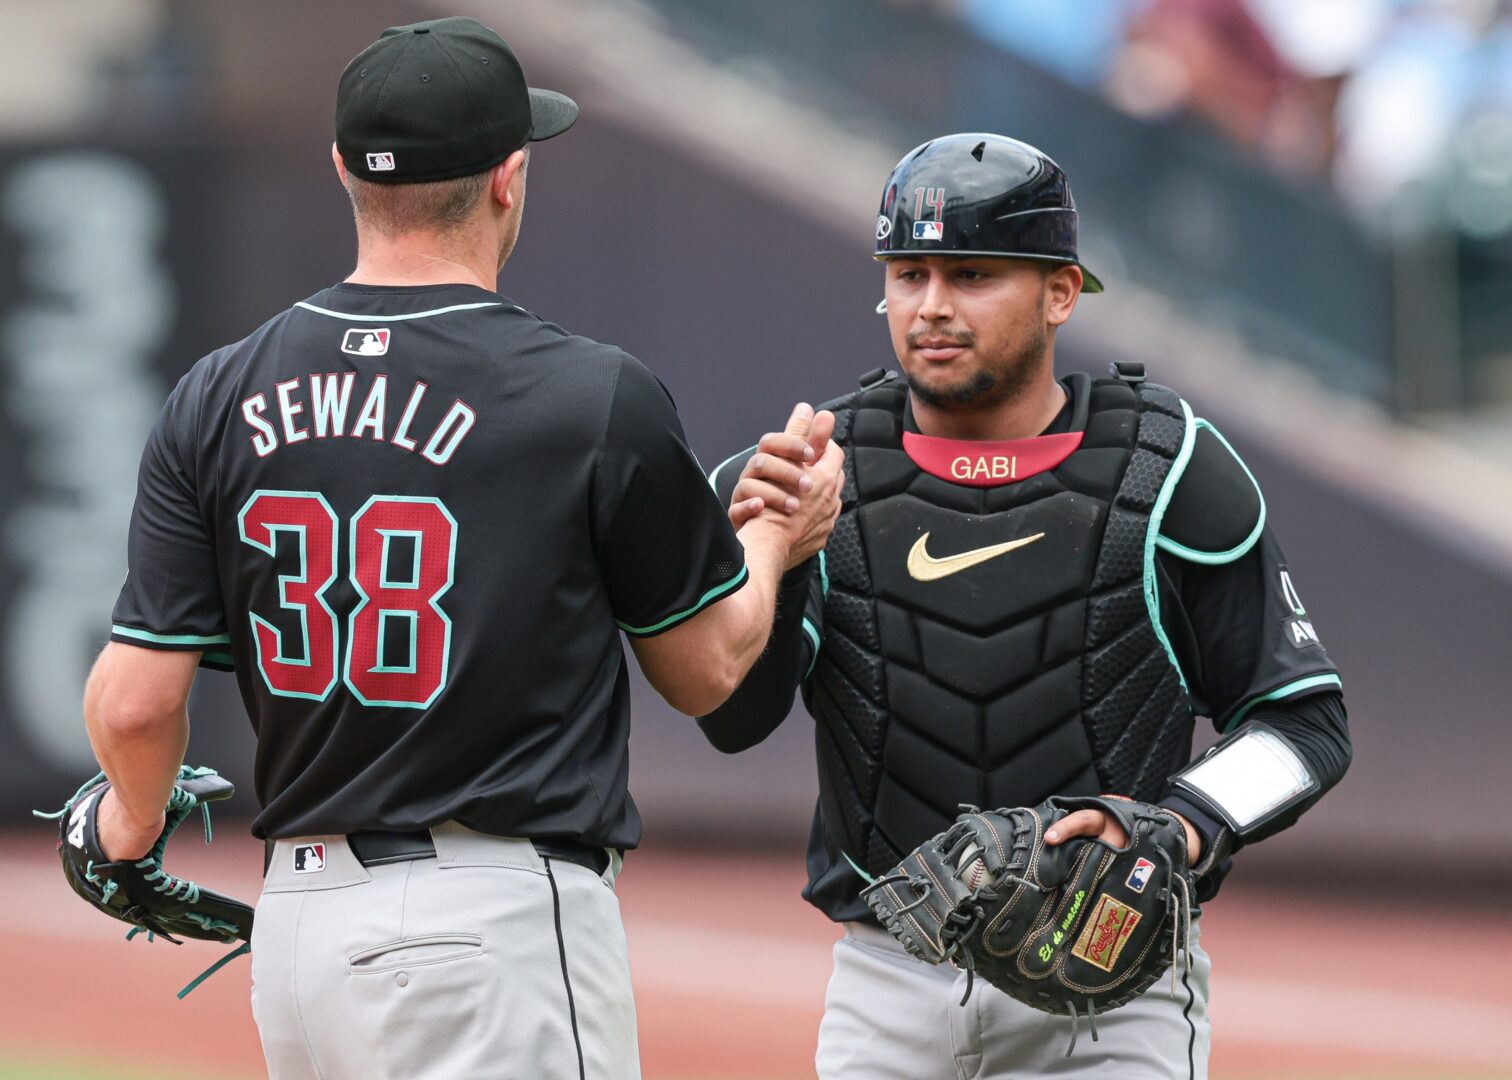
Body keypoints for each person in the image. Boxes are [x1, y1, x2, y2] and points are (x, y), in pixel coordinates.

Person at [81, 16, 841, 1080]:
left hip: (299, 930)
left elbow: (132, 704)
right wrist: (773, 541)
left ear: (343, 166)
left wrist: (128, 824)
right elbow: (711, 674)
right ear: (507, 177)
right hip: (491, 924)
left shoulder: (218, 391)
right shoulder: (588, 394)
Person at [700, 132, 1351, 1080]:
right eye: (908, 272)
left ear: (1060, 292)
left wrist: (1182, 820)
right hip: (885, 984)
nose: (930, 306)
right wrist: (784, 556)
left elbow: (1304, 723)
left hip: (1111, 995)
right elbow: (733, 718)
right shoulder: (815, 475)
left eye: (970, 273)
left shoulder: (1169, 472)